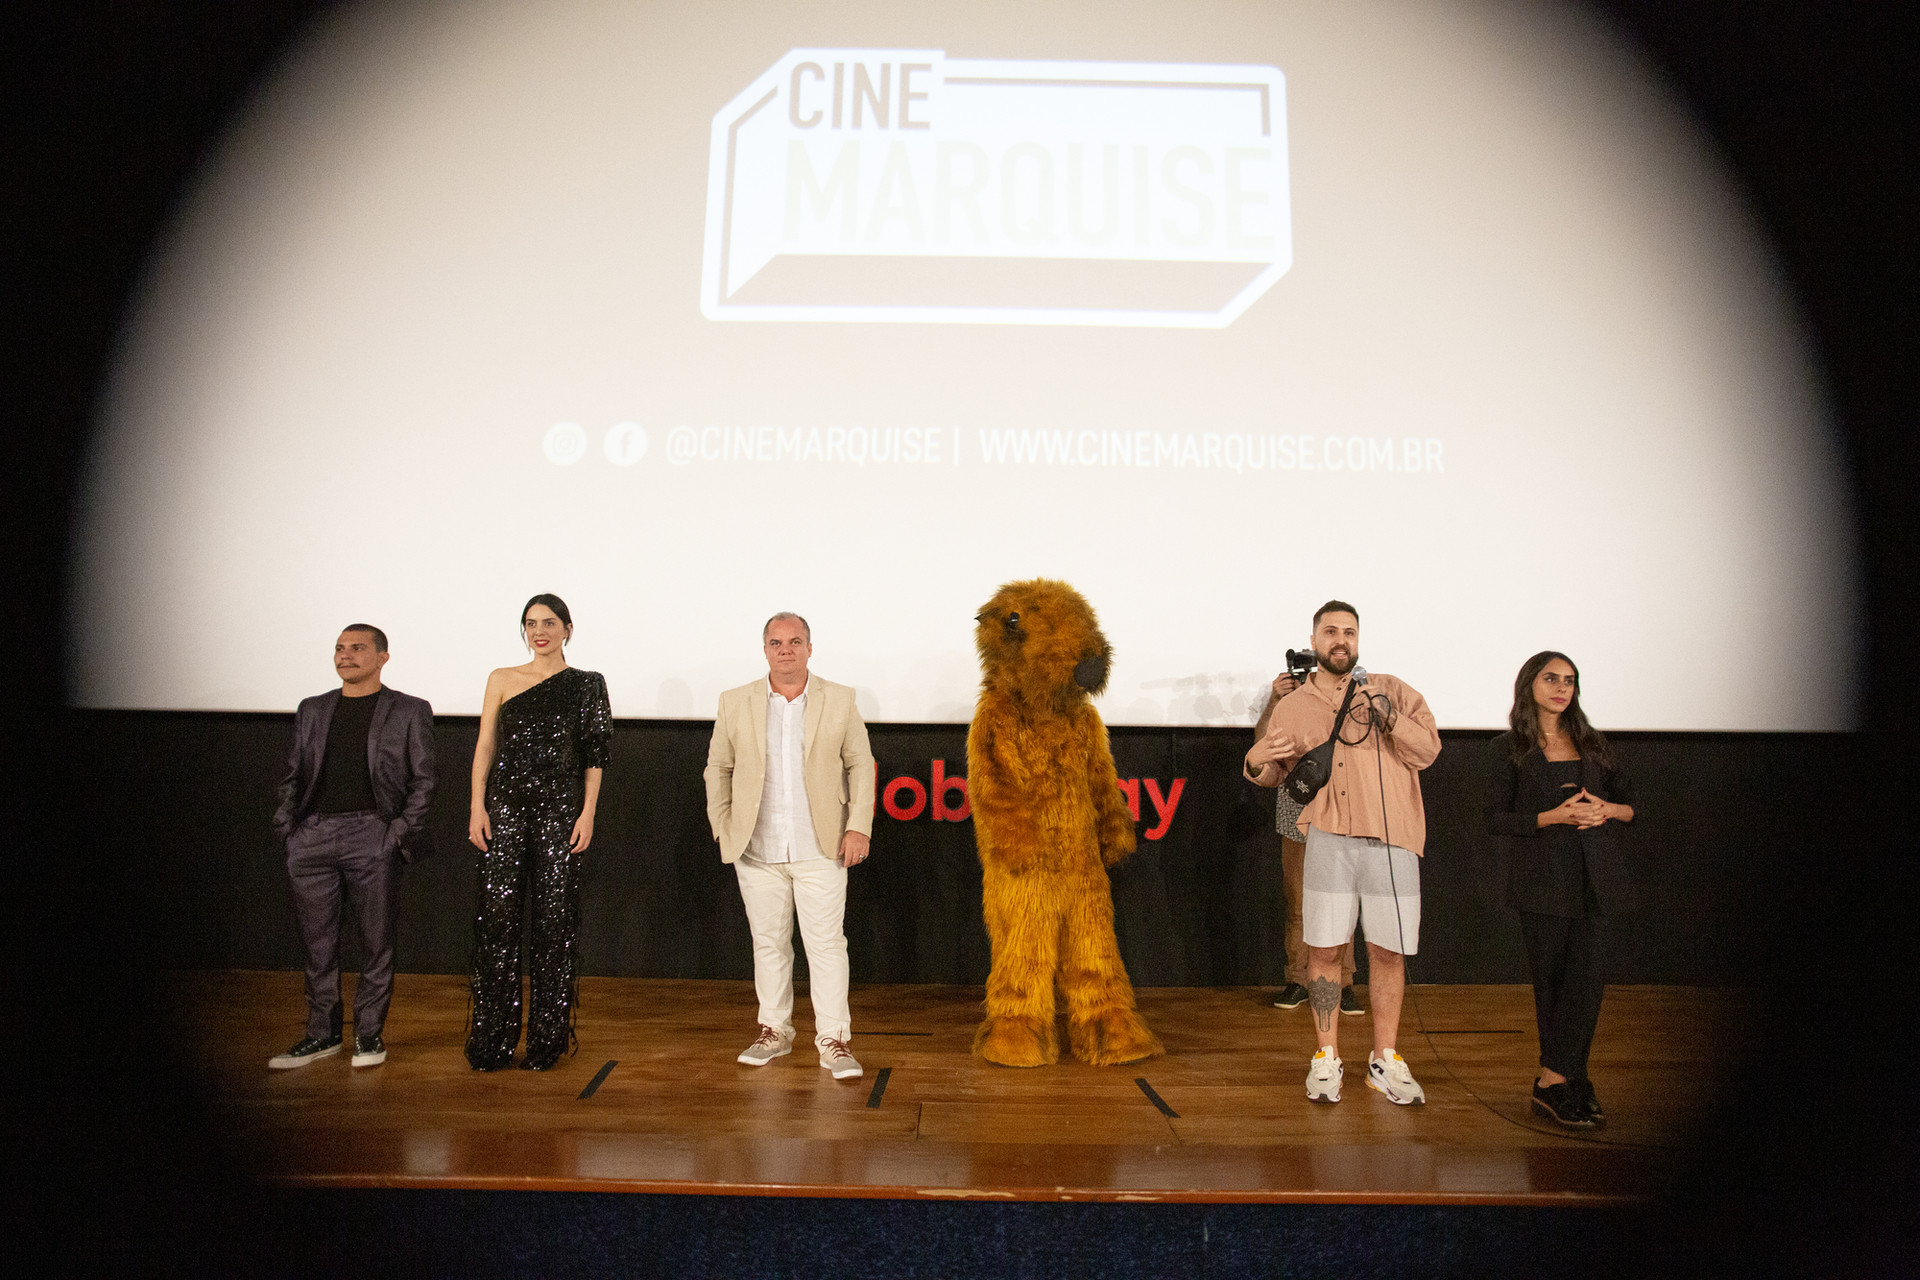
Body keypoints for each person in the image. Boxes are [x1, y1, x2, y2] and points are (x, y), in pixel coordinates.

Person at [1245, 601, 1441, 1105]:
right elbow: (1277, 778)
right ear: (1314, 642)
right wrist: (1254, 763)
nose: (1340, 640)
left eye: (1349, 632)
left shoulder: (1393, 689)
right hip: (1328, 840)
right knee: (1326, 952)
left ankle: (1385, 1057)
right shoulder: (1293, 707)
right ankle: (1327, 1054)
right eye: (1330, 631)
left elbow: (1427, 752)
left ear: (1358, 641)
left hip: (1392, 841)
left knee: (1388, 952)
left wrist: (1388, 713)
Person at [704, 612, 876, 1080]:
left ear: (809, 648)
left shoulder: (839, 699)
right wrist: (724, 826)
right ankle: (774, 1032)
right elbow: (717, 767)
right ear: (765, 650)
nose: (786, 649)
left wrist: (858, 826)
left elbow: (861, 764)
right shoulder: (735, 701)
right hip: (756, 849)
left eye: (795, 641)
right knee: (769, 944)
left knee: (825, 945)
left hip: (820, 846)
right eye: (777, 642)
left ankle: (834, 1041)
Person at [269, 625, 435, 1070]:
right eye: (340, 649)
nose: (346, 656)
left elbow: (424, 779)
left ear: (382, 657)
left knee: (376, 943)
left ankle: (367, 1037)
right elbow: (293, 774)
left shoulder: (409, 710)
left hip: (372, 834)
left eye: (357, 648)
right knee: (317, 946)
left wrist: (398, 832)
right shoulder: (313, 709)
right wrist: (289, 829)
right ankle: (321, 1035)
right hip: (313, 836)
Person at [1483, 651, 1637, 1128]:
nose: (1561, 687)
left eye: (1569, 680)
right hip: (1543, 880)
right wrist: (1554, 816)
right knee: (1552, 983)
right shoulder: (1509, 749)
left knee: (1587, 984)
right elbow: (1495, 819)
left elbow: (1634, 806)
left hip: (1598, 878)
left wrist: (1605, 810)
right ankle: (1559, 1080)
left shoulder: (1594, 744)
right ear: (1530, 683)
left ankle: (1563, 1076)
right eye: (1551, 678)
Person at [465, 594, 612, 1071]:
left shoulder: (588, 684)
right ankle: (491, 1040)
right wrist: (476, 806)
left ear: (568, 628)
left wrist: (588, 813)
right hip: (505, 807)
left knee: (554, 925)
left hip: (561, 811)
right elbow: (486, 743)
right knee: (498, 923)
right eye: (530, 623)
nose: (539, 631)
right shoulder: (502, 679)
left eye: (549, 622)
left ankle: (546, 1042)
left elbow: (595, 756)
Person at [1254, 668, 1360, 1018]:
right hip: (1296, 809)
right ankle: (1299, 979)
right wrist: (1275, 698)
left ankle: (1343, 984)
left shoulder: (1355, 694)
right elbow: (1262, 749)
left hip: (1341, 811)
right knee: (1297, 902)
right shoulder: (1290, 702)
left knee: (1343, 904)